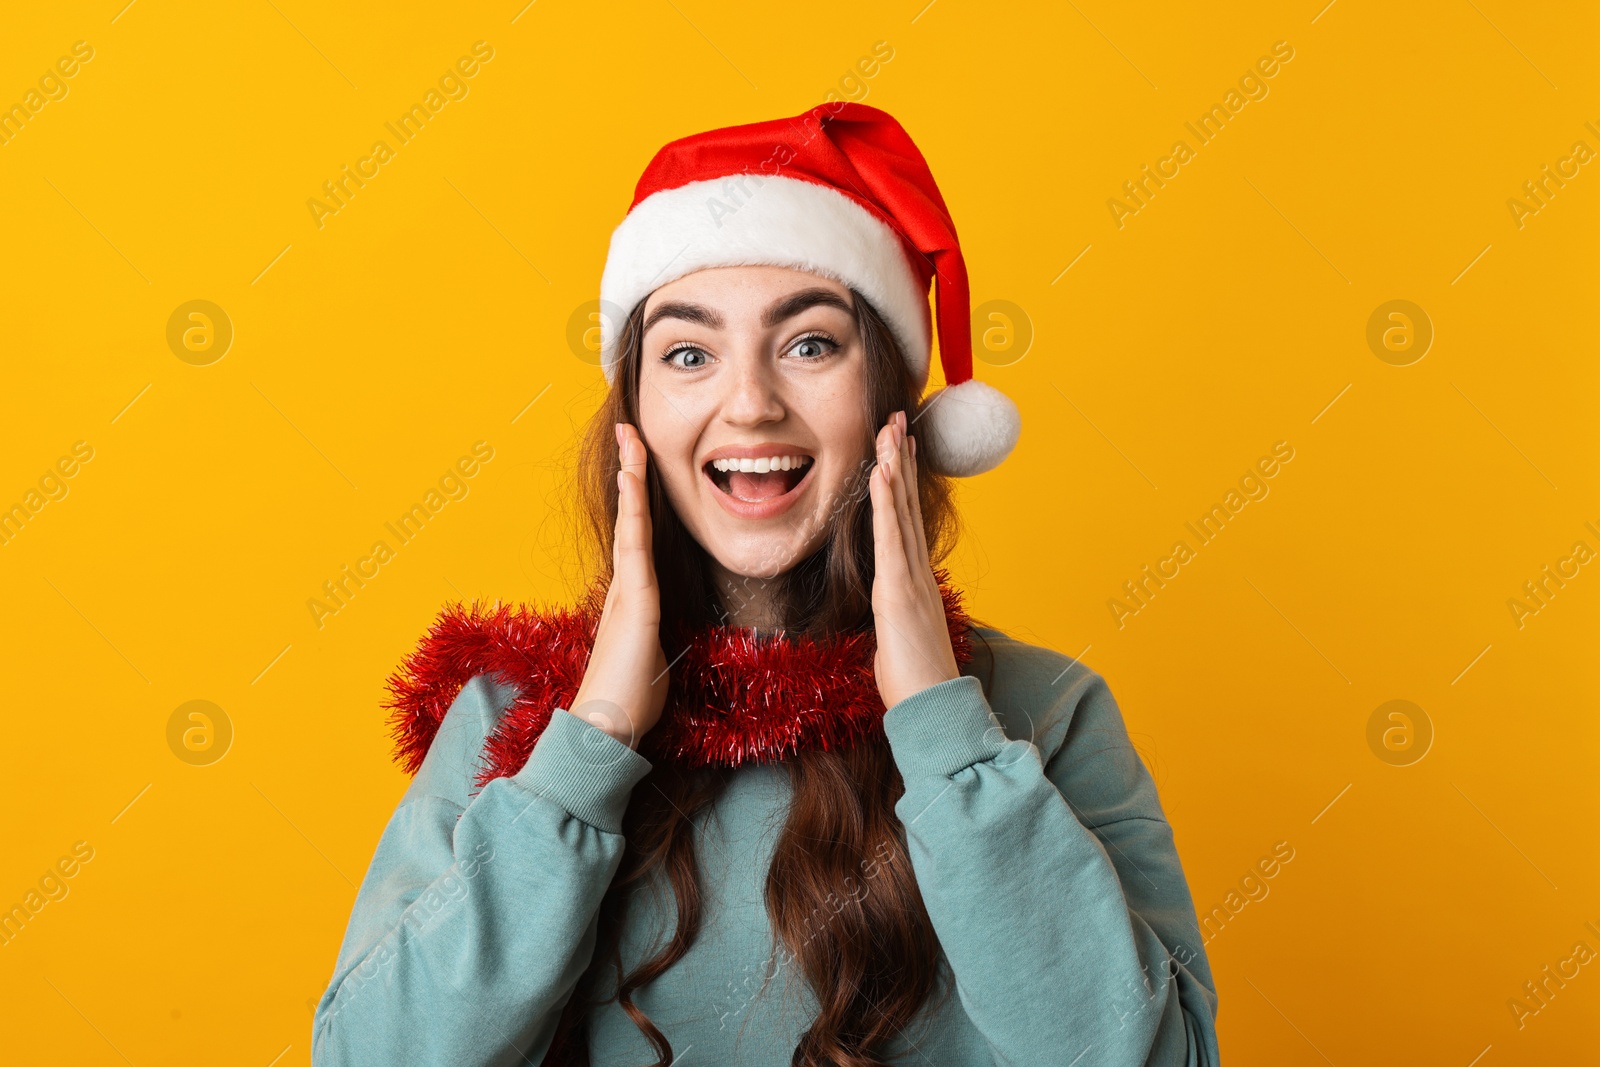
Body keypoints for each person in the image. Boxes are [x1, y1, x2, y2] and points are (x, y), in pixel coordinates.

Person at [311, 102, 1220, 1067]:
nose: (749, 402)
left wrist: (944, 731)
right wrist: (593, 739)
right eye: (689, 354)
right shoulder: (518, 720)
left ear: (892, 407)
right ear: (635, 419)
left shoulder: (1042, 713)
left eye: (810, 344)